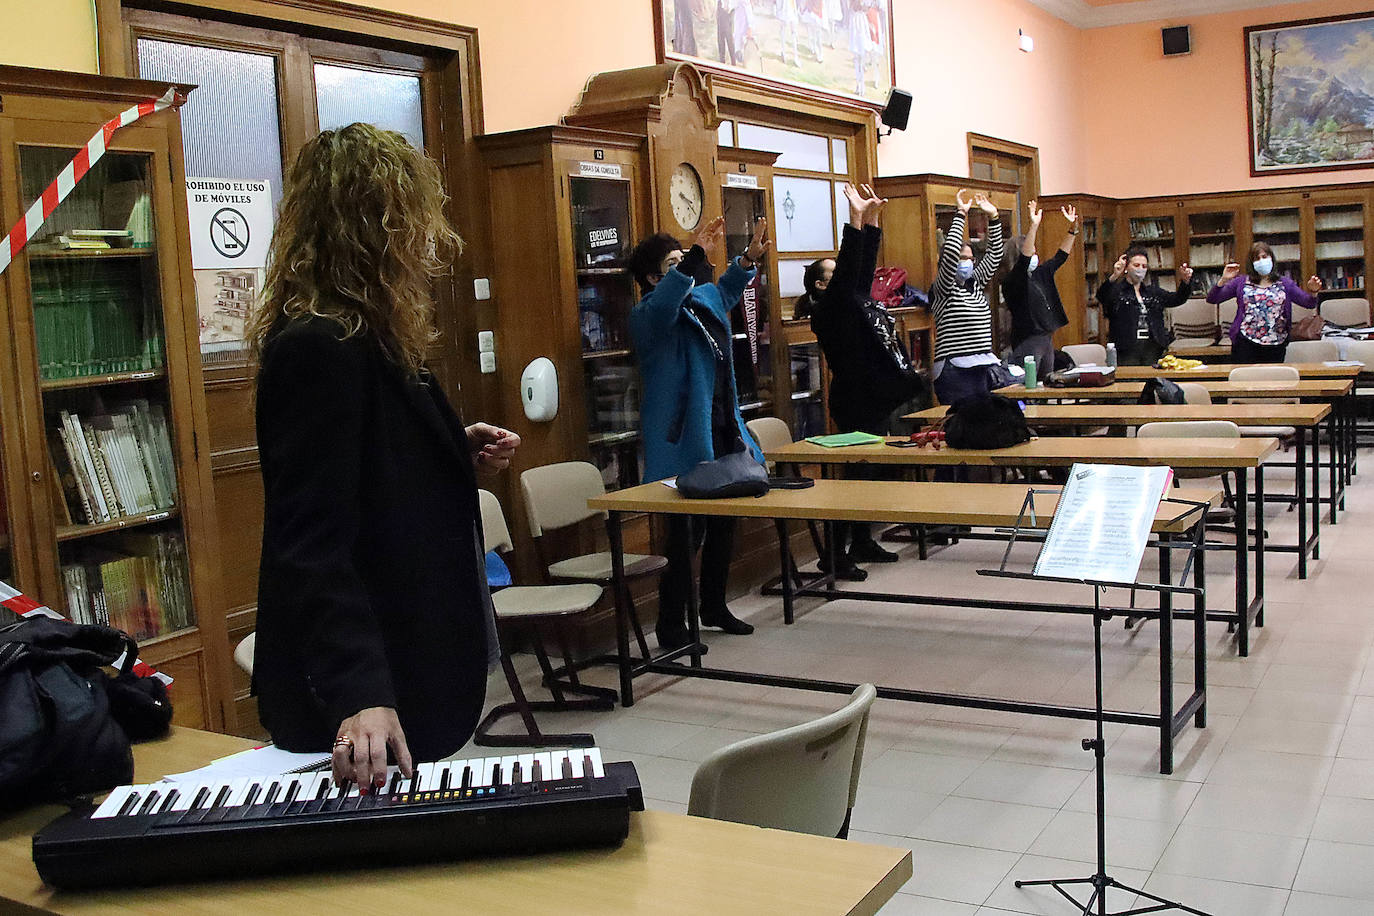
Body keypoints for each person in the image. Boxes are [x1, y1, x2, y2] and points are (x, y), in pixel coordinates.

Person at [249, 123, 521, 793]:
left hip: (410, 653)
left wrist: (454, 449)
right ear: (375, 228)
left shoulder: (369, 333)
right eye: (415, 221)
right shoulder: (317, 346)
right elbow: (310, 541)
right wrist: (360, 691)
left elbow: (366, 468)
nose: (429, 241)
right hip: (369, 682)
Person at [627, 215, 771, 651]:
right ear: (654, 278)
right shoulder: (649, 315)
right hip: (683, 439)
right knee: (684, 536)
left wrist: (747, 258)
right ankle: (670, 625)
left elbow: (725, 289)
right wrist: (695, 258)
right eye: (673, 263)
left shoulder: (700, 298)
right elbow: (665, 305)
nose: (684, 268)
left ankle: (713, 606)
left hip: (722, 428)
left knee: (722, 527)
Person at [811, 183, 928, 578]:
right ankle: (833, 553)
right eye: (831, 274)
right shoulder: (827, 311)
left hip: (872, 397)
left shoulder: (851, 299)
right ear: (821, 285)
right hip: (853, 401)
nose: (844, 274)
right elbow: (849, 271)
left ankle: (861, 539)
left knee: (871, 474)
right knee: (855, 478)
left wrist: (873, 221)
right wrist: (856, 220)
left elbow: (858, 271)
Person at [930, 189, 1005, 405]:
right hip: (954, 370)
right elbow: (951, 251)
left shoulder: (976, 284)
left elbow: (994, 255)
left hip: (981, 365)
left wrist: (994, 217)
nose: (968, 263)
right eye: (962, 259)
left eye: (971, 259)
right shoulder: (944, 287)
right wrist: (960, 214)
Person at [1208, 242, 1323, 363]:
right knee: (1245, 379)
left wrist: (1313, 291)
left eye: (1264, 257)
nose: (1261, 261)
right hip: (1245, 341)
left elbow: (1308, 303)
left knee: (1272, 379)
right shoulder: (1241, 282)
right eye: (1257, 258)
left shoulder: (1285, 283)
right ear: (1251, 263)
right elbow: (1213, 299)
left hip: (1276, 342)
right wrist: (1224, 279)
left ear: (1272, 259)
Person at [1001, 200, 1079, 378]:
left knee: (1047, 382)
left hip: (1046, 338)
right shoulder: (1013, 280)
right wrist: (1033, 226)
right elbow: (1024, 260)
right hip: (1028, 340)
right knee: (1029, 385)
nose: (1035, 256)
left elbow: (1060, 257)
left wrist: (1073, 230)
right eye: (1032, 252)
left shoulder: (1040, 274)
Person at [1098, 248, 1193, 366]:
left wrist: (1185, 282)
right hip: (1126, 348)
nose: (1140, 269)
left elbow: (1177, 299)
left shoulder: (1152, 292)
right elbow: (1102, 296)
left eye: (1144, 266)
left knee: (1155, 381)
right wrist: (1115, 275)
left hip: (1153, 346)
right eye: (1136, 265)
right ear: (1126, 267)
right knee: (1131, 381)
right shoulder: (1117, 291)